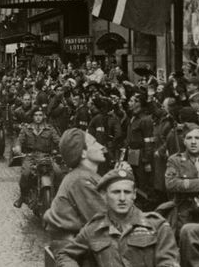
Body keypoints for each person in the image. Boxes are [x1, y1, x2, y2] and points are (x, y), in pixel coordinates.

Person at [56, 166, 180, 267]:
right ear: (104, 196)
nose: (122, 198)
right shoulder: (94, 229)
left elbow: (168, 262)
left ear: (134, 195)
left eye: (127, 192)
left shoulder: (156, 225)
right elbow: (65, 254)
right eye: (116, 192)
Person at [43, 128, 107, 258]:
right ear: (83, 153)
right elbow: (104, 221)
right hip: (74, 251)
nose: (102, 147)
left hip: (77, 245)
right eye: (95, 143)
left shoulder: (83, 176)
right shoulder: (81, 180)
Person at [165, 123, 199, 234]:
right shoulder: (175, 161)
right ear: (184, 141)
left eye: (197, 138)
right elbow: (171, 183)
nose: (193, 142)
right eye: (189, 138)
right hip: (183, 213)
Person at [13, 108, 60, 209]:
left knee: (58, 172)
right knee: (26, 173)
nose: (38, 117)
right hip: (30, 156)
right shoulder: (26, 128)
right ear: (33, 117)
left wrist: (63, 148)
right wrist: (18, 147)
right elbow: (19, 140)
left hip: (46, 156)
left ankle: (58, 197)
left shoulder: (50, 129)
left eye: (40, 115)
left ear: (43, 116)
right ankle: (23, 196)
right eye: (36, 115)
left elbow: (58, 141)